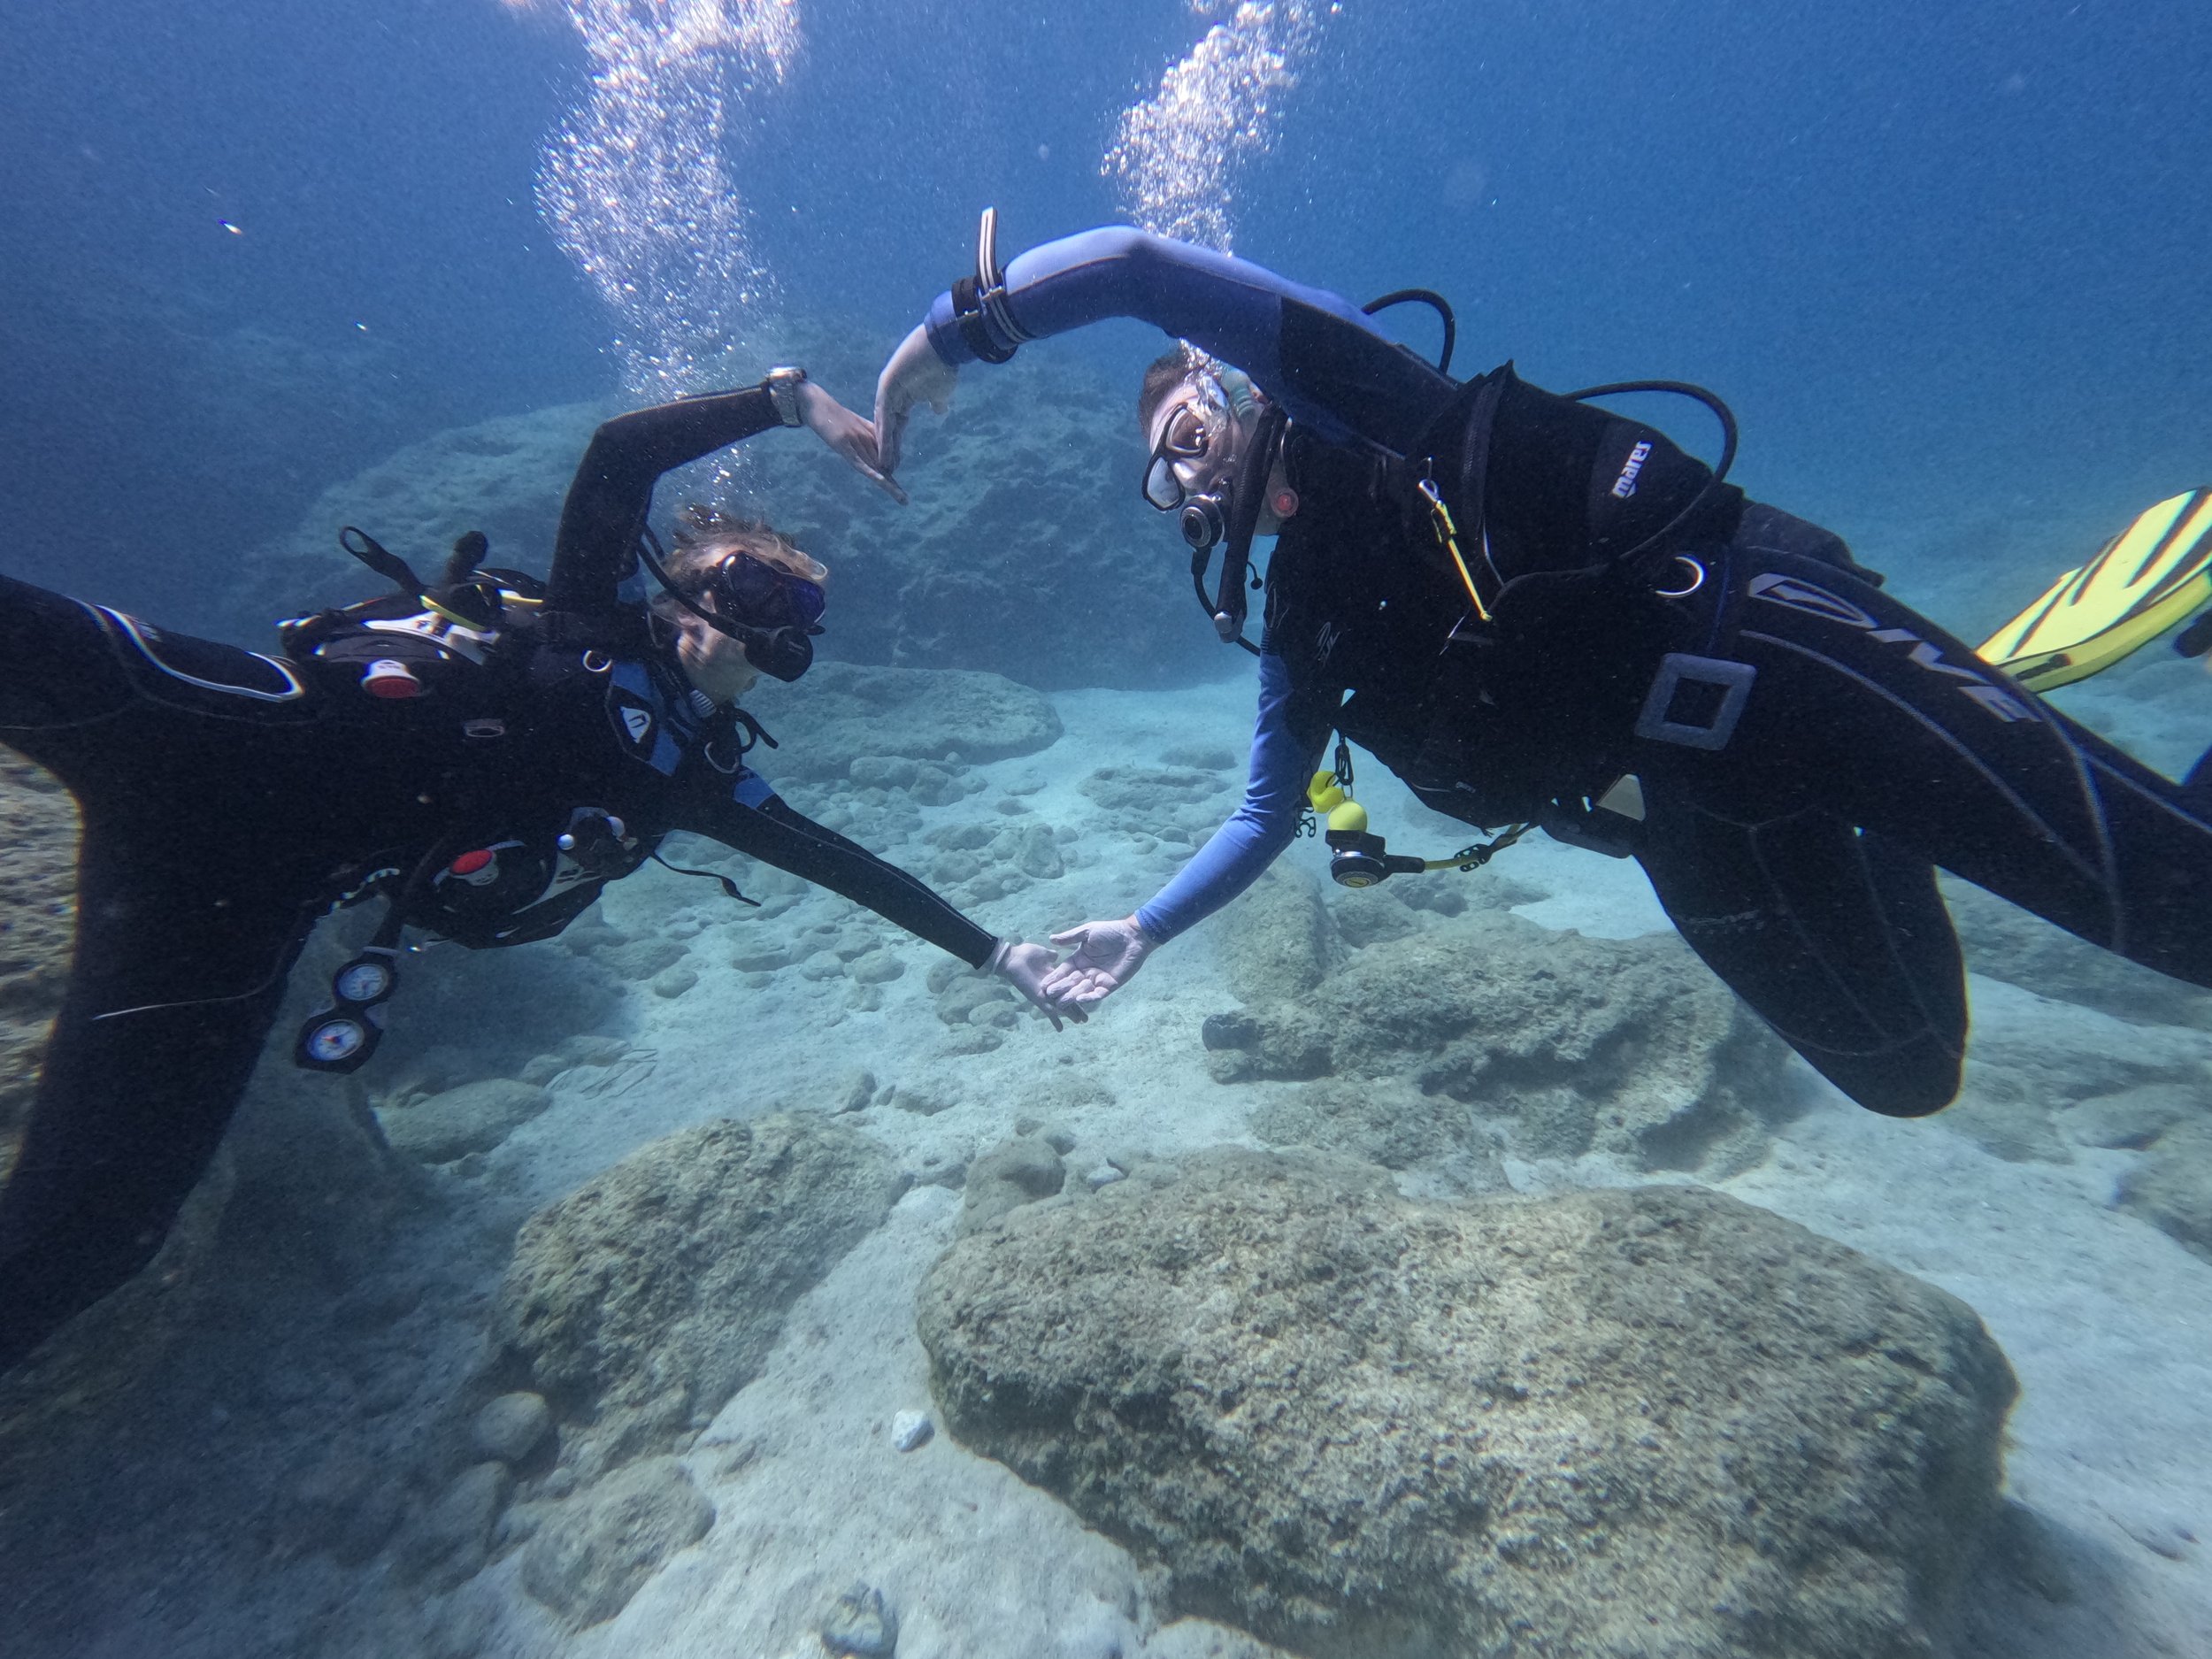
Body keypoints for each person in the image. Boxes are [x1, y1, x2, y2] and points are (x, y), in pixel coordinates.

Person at [873, 219, 2212, 1119]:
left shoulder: (1382, 413)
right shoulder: (1302, 626)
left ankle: (1927, 751)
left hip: (1768, 655)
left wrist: (954, 332)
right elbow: (1262, 813)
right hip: (1687, 820)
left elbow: (1133, 265)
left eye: (1191, 425)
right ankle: (1896, 820)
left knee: (2189, 909)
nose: (1190, 468)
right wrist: (1146, 926)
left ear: (1240, 396)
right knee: (1905, 1071)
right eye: (1161, 471)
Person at [0, 367, 1066, 1374]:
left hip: (241, 909)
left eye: (782, 608)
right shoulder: (584, 628)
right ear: (672, 585)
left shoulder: (688, 777)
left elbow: (845, 865)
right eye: (733, 579)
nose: (742, 613)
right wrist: (792, 404)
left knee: (97, 1235)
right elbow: (616, 461)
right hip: (207, 730)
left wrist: (998, 953)